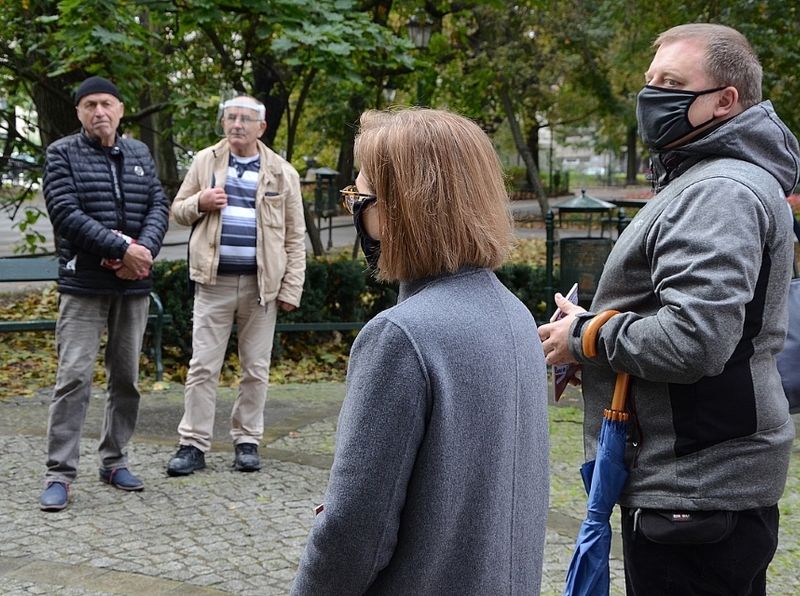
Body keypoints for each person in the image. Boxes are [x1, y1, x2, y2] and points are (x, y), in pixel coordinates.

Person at [540, 24, 799, 595]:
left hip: (697, 487)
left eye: (672, 82)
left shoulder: (718, 191)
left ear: (725, 101)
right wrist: (595, 338)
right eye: (650, 80)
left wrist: (587, 335)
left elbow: (693, 340)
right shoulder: (711, 179)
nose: (652, 95)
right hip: (700, 482)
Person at [291, 108, 550, 596]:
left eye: (359, 196)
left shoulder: (401, 336)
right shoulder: (514, 314)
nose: (354, 210)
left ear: (400, 208)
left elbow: (353, 529)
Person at [39, 76, 170, 511]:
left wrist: (144, 250)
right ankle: (59, 473)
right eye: (90, 104)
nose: (99, 111)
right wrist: (122, 248)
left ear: (120, 108)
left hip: (133, 285)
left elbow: (157, 205)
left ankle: (114, 460)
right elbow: (65, 213)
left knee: (126, 378)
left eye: (107, 103)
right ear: (78, 112)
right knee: (74, 377)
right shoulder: (61, 154)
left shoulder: (138, 152)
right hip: (84, 285)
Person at [166, 96, 306, 475]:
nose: (237, 125)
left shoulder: (282, 172)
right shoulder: (204, 162)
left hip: (263, 287)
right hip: (213, 282)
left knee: (256, 369)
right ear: (223, 123)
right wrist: (201, 201)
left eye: (246, 119)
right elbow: (177, 211)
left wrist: (291, 288)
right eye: (231, 117)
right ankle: (192, 444)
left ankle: (247, 441)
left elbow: (295, 237)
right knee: (202, 367)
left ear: (261, 127)